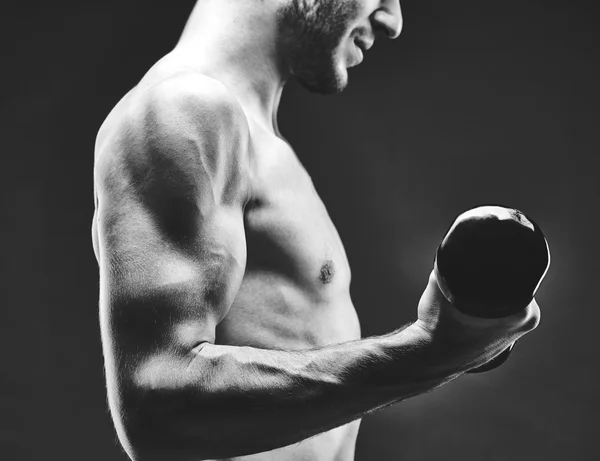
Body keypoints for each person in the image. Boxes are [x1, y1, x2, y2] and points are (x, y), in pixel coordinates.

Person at [91, 1, 540, 460]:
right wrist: (430, 352)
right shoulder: (186, 107)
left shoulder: (256, 139)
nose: (393, 21)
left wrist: (449, 345)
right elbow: (158, 410)